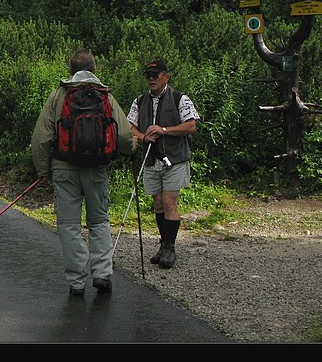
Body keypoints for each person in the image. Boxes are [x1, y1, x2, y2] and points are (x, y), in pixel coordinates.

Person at [31, 50, 135, 296]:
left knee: (69, 225)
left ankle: (77, 282)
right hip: (97, 169)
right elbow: (122, 135)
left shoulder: (59, 95)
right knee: (99, 222)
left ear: (70, 71)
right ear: (95, 70)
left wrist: (43, 171)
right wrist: (131, 149)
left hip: (64, 169)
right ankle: (102, 274)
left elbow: (41, 137)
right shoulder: (105, 96)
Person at [126, 59, 199, 270]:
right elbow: (130, 127)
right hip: (151, 159)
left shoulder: (180, 98)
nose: (151, 79)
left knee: (169, 203)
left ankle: (170, 248)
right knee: (158, 203)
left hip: (175, 158)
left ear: (166, 77)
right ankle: (163, 244)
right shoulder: (139, 101)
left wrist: (164, 130)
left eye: (155, 75)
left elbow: (191, 126)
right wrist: (143, 136)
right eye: (148, 75)